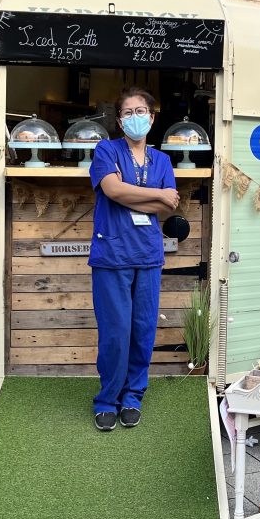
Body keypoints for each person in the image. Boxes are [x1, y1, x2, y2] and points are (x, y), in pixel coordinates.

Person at [89, 88, 179, 432]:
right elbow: (112, 189)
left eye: (141, 111)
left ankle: (132, 396)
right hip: (112, 254)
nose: (135, 117)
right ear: (119, 120)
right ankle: (107, 399)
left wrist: (135, 196)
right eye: (128, 113)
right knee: (115, 332)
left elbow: (167, 207)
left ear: (152, 118)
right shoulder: (106, 150)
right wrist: (156, 194)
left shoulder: (163, 161)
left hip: (147, 255)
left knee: (142, 329)